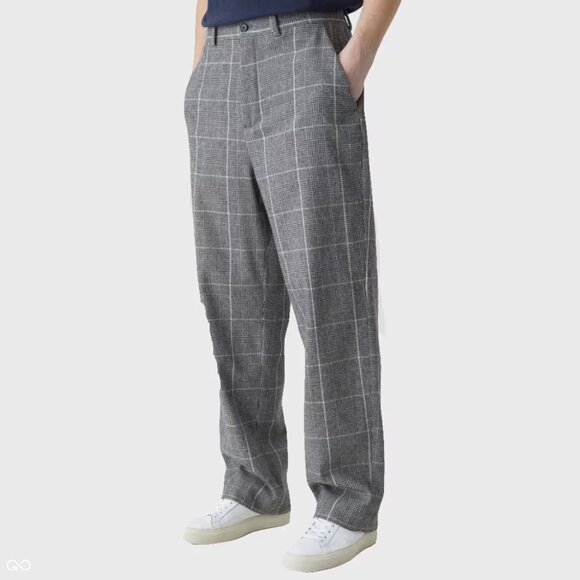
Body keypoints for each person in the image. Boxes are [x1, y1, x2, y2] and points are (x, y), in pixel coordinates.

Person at [182, 0, 401, 572]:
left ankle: (349, 502)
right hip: (220, 60)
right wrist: (200, 66)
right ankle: (253, 484)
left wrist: (357, 56)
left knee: (329, 285)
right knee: (233, 289)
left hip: (306, 50)